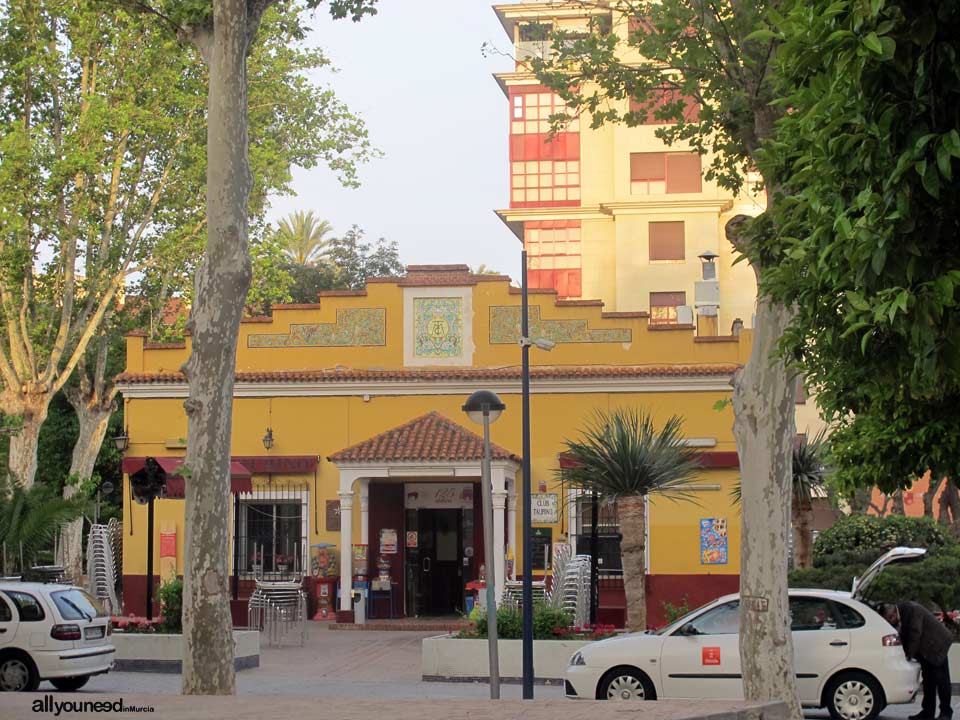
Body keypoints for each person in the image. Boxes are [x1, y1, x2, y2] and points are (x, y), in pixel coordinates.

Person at [879, 601, 954, 720]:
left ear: (891, 616)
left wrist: (908, 655)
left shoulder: (912, 609)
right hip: (925, 648)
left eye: (888, 621)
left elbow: (915, 633)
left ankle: (946, 713)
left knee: (942, 680)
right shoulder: (900, 614)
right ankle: (927, 712)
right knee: (928, 681)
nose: (890, 624)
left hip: (937, 644)